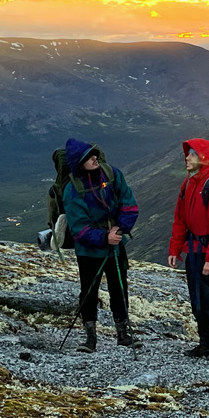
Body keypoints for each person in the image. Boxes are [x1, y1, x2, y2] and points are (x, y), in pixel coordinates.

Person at [60, 138, 141, 352]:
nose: (94, 158)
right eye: (88, 156)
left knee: (119, 288)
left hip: (114, 243)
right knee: (88, 291)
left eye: (93, 154)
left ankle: (123, 334)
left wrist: (120, 228)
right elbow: (78, 227)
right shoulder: (71, 189)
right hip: (89, 249)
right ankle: (90, 338)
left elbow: (129, 203)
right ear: (78, 161)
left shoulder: (112, 174)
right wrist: (105, 237)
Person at [167, 138, 209, 362]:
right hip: (194, 251)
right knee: (197, 297)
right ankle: (205, 342)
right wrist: (175, 249)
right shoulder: (187, 184)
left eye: (193, 154)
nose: (187, 158)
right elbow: (180, 221)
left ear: (203, 159)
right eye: (188, 154)